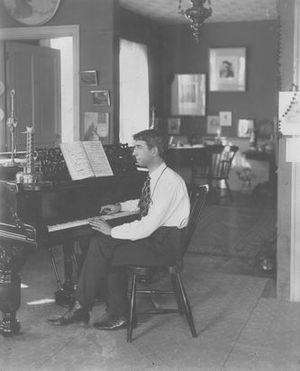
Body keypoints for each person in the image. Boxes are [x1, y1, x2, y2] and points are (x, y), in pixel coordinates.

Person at [48, 129, 190, 330]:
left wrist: (111, 230)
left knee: (106, 247)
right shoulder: (159, 176)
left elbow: (147, 226)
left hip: (166, 245)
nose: (134, 153)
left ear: (155, 151)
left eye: (139, 148)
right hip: (161, 238)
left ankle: (107, 312)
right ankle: (93, 308)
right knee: (102, 246)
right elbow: (146, 203)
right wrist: (121, 207)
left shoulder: (168, 182)